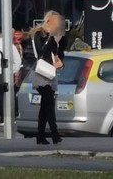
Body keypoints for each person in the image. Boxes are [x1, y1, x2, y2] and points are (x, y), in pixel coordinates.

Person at [31, 10, 66, 144]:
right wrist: (52, 39)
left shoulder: (52, 37)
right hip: (41, 73)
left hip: (49, 72)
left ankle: (40, 135)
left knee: (45, 105)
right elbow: (41, 52)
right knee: (49, 103)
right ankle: (55, 134)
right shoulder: (39, 35)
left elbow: (56, 55)